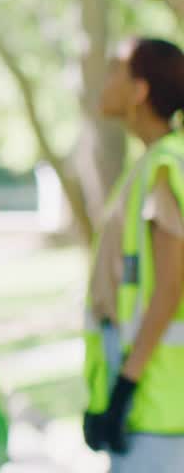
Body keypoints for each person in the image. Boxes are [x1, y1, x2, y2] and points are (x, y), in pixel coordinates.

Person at [84, 37, 184, 470]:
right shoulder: (148, 164)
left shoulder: (165, 165)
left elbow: (171, 283)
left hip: (161, 406)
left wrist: (125, 386)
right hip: (152, 402)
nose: (105, 82)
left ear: (140, 90)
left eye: (116, 71)